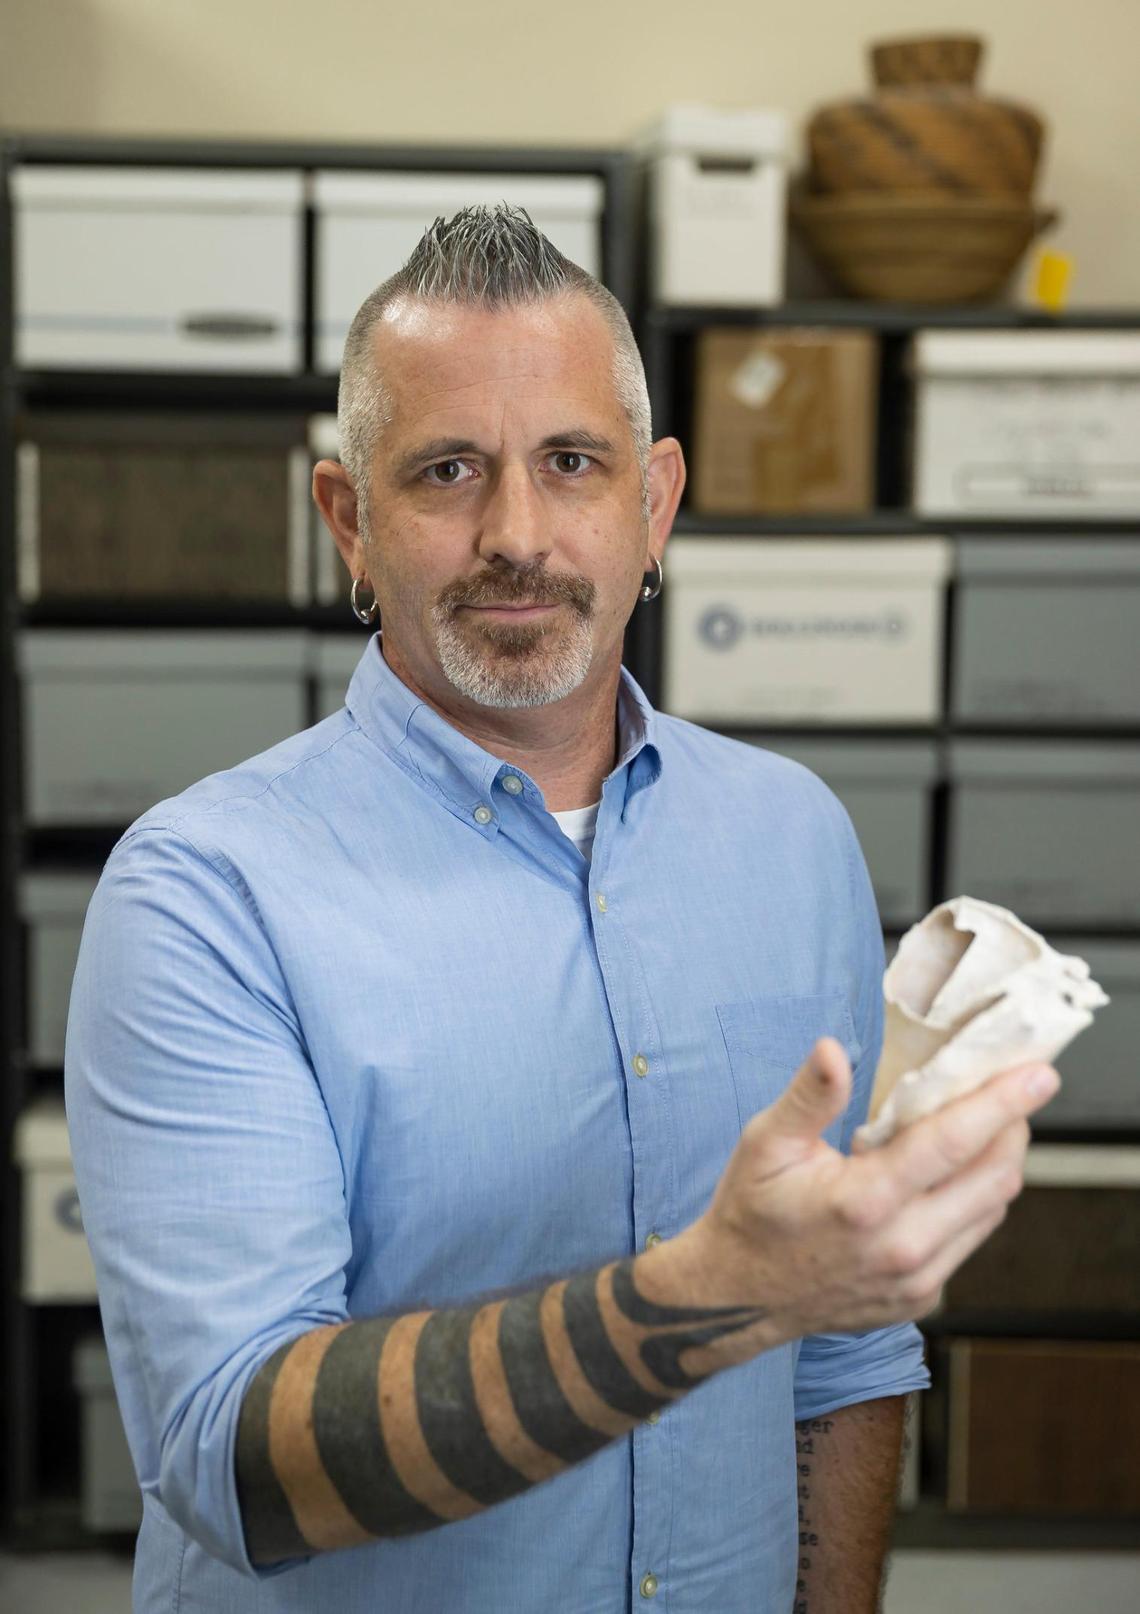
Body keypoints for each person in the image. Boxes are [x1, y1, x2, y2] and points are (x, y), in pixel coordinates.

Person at [64, 206, 1059, 1614]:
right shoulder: (206, 894)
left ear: (652, 507)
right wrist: (697, 1295)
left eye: (571, 464)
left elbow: (844, 1357)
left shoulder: (794, 840)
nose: (517, 535)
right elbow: (237, 1458)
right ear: (349, 520)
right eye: (448, 471)